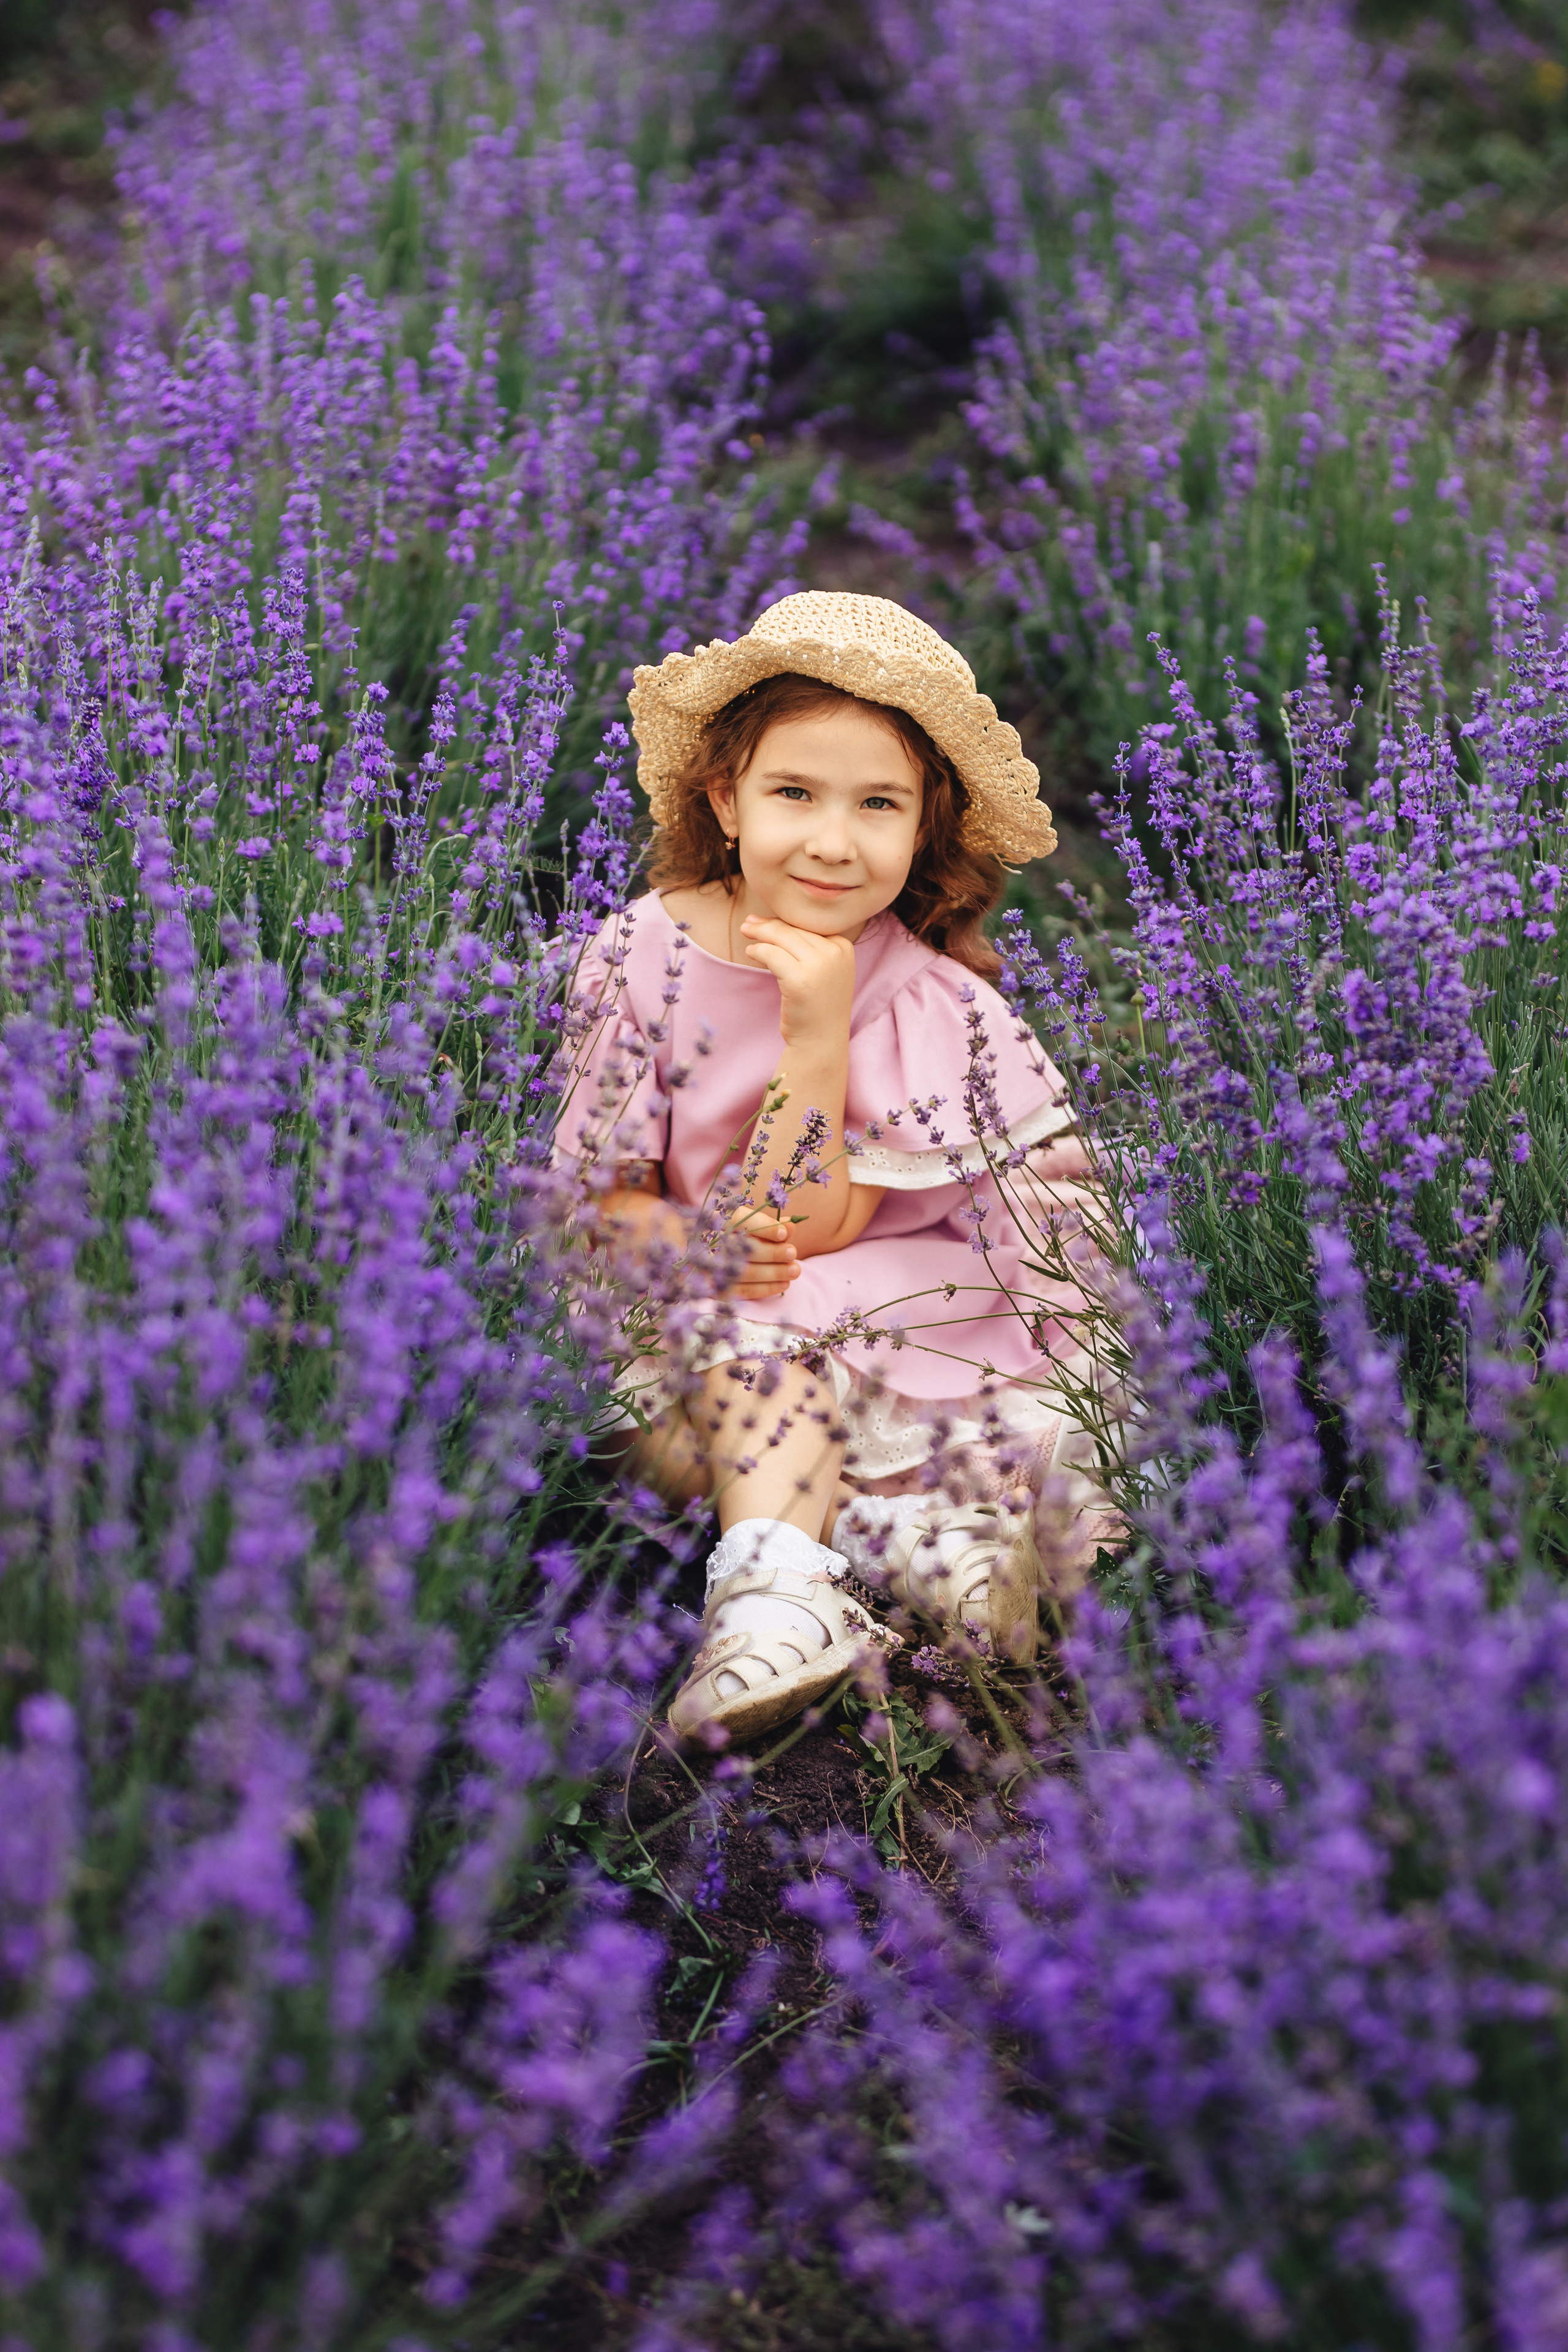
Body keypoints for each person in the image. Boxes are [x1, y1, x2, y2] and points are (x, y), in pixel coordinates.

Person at [554, 592, 1116, 1742]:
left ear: (924, 828)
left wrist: (814, 1029)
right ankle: (898, 1541)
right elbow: (606, 1197)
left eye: (878, 805)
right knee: (632, 1418)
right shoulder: (642, 952)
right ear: (726, 799)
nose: (831, 840)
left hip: (918, 1298)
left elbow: (809, 1228)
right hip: (720, 1291)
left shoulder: (925, 998)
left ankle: (775, 1599)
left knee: (755, 1320)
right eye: (794, 794)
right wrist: (691, 1245)